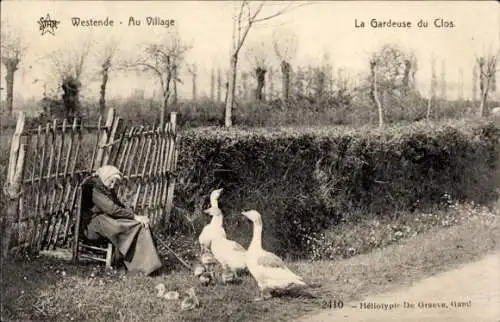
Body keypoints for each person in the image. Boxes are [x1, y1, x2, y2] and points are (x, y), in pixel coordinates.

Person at [80, 165, 163, 276]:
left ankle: (148, 266)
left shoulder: (106, 187)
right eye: (112, 182)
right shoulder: (93, 188)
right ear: (105, 177)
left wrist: (136, 217)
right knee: (121, 228)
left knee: (138, 225)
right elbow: (111, 209)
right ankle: (134, 265)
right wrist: (134, 217)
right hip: (93, 224)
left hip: (106, 218)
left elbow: (118, 205)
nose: (113, 185)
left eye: (115, 183)